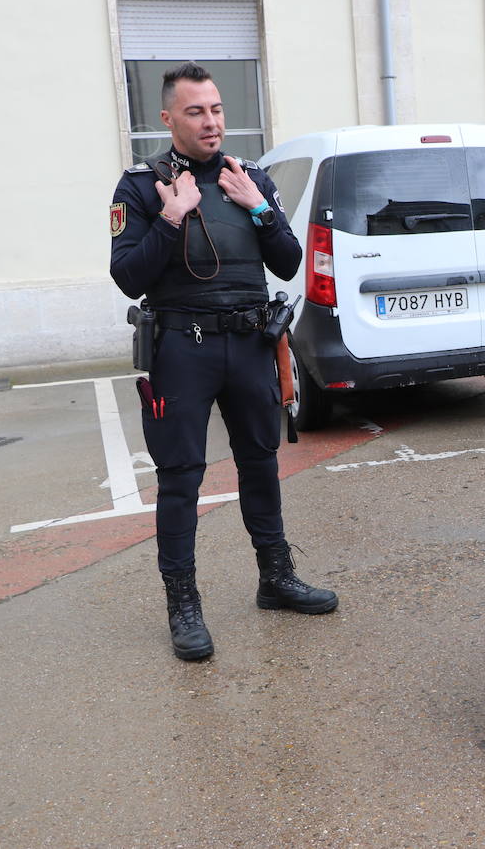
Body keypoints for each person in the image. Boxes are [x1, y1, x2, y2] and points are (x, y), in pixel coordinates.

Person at [109, 62, 337, 661]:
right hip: (182, 349)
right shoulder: (140, 186)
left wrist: (259, 207)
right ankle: (183, 606)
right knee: (181, 477)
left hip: (250, 343)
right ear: (168, 119)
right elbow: (128, 277)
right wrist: (172, 215)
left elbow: (287, 263)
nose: (211, 122)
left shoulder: (250, 177)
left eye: (215, 109)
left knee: (261, 463)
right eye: (195, 112)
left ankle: (276, 578)